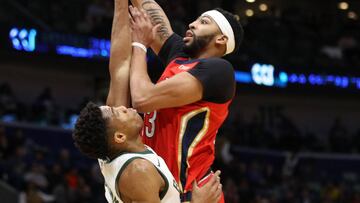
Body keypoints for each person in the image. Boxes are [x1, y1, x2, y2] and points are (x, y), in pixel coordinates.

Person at [72, 0, 222, 202]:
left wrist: (120, 6)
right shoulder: (138, 170)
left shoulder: (111, 148)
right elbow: (137, 91)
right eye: (119, 113)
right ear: (119, 136)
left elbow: (119, 65)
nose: (124, 108)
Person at [128, 1, 244, 202]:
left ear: (221, 39)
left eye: (204, 22)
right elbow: (149, 10)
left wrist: (139, 45)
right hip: (161, 183)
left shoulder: (219, 70)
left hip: (189, 192)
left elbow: (142, 99)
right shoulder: (180, 56)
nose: (191, 24)